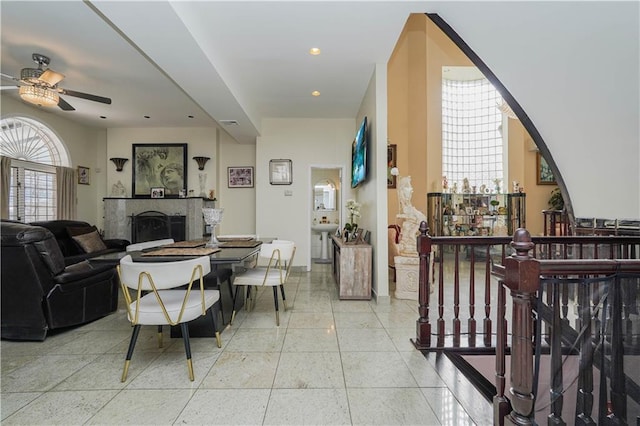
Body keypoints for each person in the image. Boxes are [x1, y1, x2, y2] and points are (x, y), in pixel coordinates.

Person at [396, 175, 427, 256]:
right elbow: (406, 212)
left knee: (420, 220)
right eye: (408, 187)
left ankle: (414, 242)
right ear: (402, 190)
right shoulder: (404, 203)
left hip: (415, 217)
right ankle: (413, 241)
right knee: (419, 221)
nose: (411, 189)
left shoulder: (407, 204)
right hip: (414, 217)